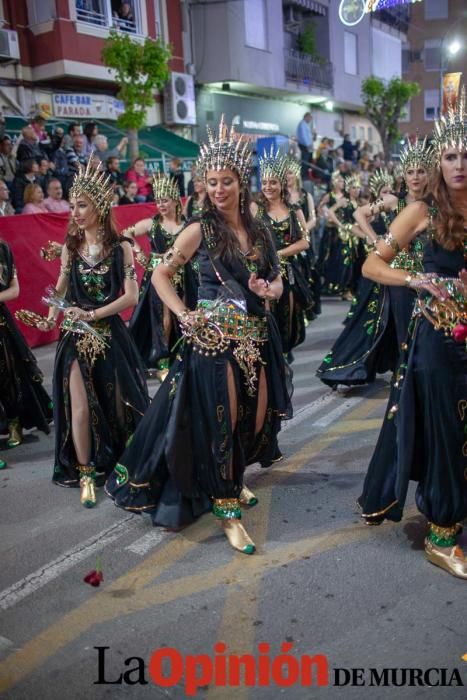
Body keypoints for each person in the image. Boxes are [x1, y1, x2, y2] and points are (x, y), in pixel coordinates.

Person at [106, 118, 292, 554]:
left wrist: (270, 289)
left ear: (241, 183)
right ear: (204, 185)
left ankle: (234, 479)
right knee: (222, 421)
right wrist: (183, 314)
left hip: (256, 337)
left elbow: (278, 279)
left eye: (227, 181)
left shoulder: (261, 229)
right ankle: (226, 507)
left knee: (255, 417)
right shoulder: (198, 229)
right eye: (212, 182)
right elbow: (160, 274)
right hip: (211, 340)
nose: (219, 189)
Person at [357, 95, 467, 578]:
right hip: (437, 343)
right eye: (450, 156)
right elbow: (372, 264)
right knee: (448, 433)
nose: (459, 164)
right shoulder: (420, 211)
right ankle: (442, 535)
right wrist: (415, 280)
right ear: (437, 162)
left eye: (466, 155)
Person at [36, 159, 149, 508]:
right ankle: (86, 472)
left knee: (119, 407)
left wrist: (93, 313)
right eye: (72, 206)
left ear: (100, 205)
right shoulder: (71, 246)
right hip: (75, 338)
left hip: (110, 337)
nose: (75, 213)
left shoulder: (122, 248)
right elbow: (61, 284)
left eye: (82, 205)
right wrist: (52, 314)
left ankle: (121, 464)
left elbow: (130, 296)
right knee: (80, 409)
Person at [124, 173, 185, 378]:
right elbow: (126, 232)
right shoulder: (152, 224)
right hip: (159, 275)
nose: (161, 204)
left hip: (183, 276)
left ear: (176, 200)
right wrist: (139, 252)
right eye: (158, 201)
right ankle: (162, 360)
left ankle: (182, 354)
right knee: (163, 317)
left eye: (165, 200)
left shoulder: (186, 225)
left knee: (183, 313)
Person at [251, 148, 311, 357]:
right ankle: (270, 353)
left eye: (273, 182)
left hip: (287, 272)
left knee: (288, 313)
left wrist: (280, 254)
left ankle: (284, 352)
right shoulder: (254, 209)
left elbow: (305, 242)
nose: (268, 187)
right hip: (261, 271)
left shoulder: (295, 210)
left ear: (282, 184)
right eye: (265, 182)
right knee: (266, 313)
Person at [0, 239, 52, 454]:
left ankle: (14, 422)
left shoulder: (2, 249)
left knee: (8, 374)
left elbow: (14, 290)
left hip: (1, 326)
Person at [296, 112, 313, 180]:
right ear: (306, 117)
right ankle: (303, 176)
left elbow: (308, 136)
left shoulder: (306, 125)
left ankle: (305, 175)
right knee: (305, 162)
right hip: (304, 145)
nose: (310, 120)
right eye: (310, 118)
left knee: (307, 162)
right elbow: (303, 136)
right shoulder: (302, 124)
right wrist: (308, 145)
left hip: (307, 145)